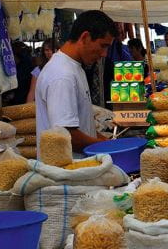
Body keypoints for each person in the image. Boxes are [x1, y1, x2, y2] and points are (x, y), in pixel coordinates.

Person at [35, 10, 116, 152]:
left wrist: (100, 138)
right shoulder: (62, 75)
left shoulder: (74, 67)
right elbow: (65, 135)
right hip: (66, 171)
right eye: (103, 46)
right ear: (85, 37)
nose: (104, 54)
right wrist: (103, 146)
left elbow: (79, 126)